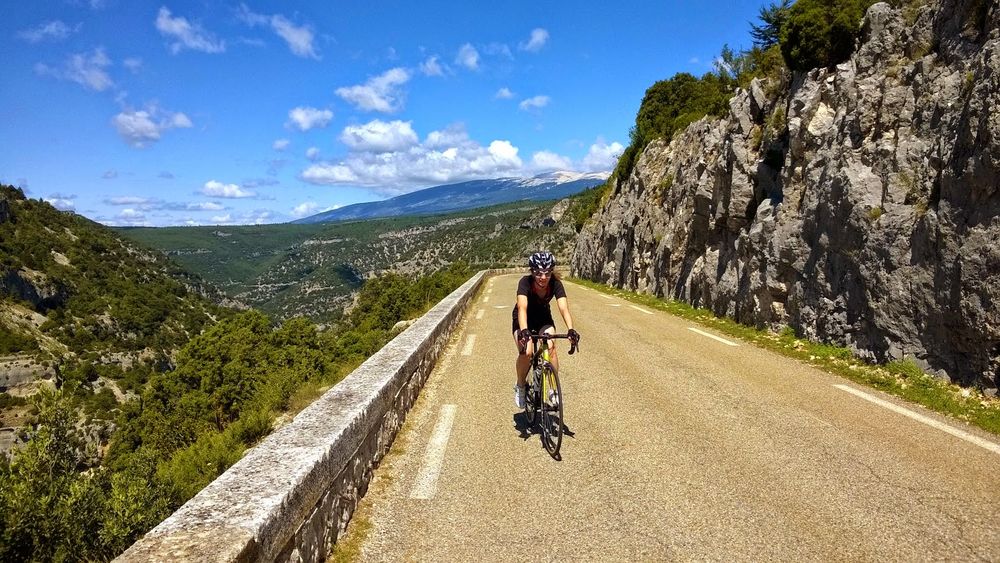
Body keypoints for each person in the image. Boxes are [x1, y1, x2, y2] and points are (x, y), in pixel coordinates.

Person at [512, 251, 580, 409]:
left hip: (543, 318)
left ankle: (553, 389)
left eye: (547, 273)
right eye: (538, 273)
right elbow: (522, 308)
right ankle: (520, 386)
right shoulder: (525, 282)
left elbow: (563, 308)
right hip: (523, 319)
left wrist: (571, 329)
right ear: (532, 271)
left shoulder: (555, 284)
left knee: (551, 347)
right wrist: (524, 330)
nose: (543, 277)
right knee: (527, 352)